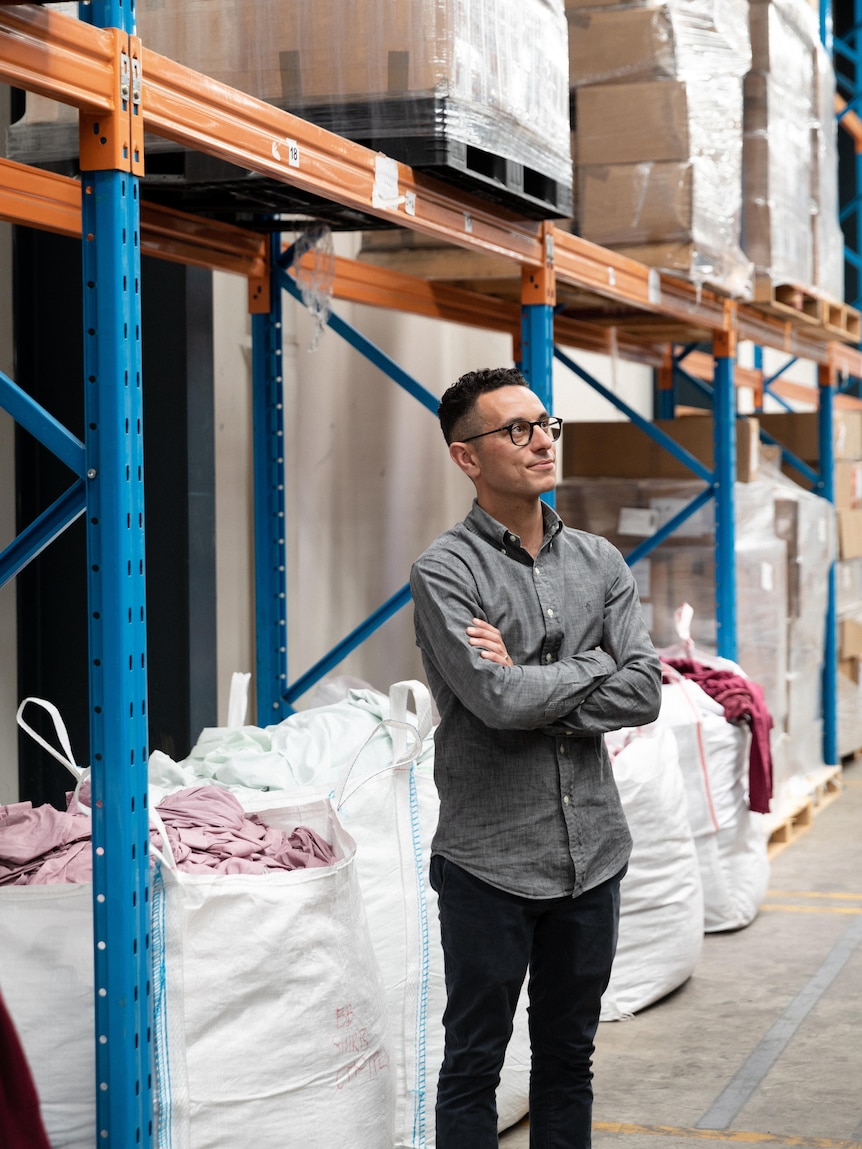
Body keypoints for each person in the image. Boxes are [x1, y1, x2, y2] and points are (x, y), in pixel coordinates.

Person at [409, 366, 662, 1148]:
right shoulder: (445, 571)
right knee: (474, 1062)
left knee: (568, 1057)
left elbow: (647, 689)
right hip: (489, 862)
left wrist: (529, 670)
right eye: (515, 429)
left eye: (546, 423)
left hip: (593, 853)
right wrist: (590, 664)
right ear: (467, 457)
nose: (541, 440)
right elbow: (495, 702)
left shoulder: (600, 563)